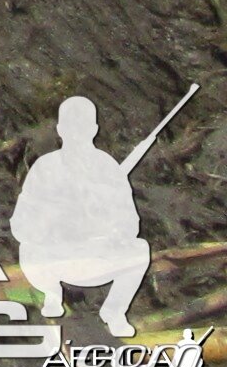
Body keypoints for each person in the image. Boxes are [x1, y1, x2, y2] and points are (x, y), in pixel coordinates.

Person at [12, 95, 155, 334]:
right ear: (60, 130)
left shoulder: (108, 168)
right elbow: (20, 225)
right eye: (71, 127)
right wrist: (49, 222)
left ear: (94, 130)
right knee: (27, 250)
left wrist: (113, 229)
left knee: (139, 250)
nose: (77, 133)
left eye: (83, 127)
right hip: (54, 257)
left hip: (96, 256)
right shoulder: (44, 169)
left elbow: (130, 222)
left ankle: (114, 312)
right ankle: (51, 293)